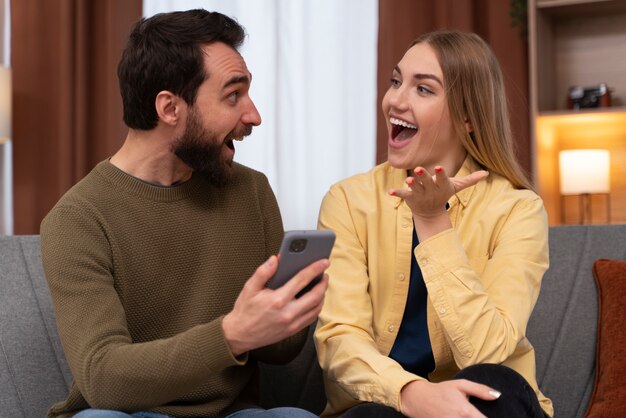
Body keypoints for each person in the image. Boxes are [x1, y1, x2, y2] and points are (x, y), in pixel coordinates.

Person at [40, 9, 328, 418]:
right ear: (170, 108)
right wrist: (230, 334)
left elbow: (280, 352)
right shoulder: (78, 220)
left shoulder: (251, 191)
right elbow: (103, 378)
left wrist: (290, 309)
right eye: (233, 95)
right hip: (125, 413)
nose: (253, 116)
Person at [314, 30, 552, 418]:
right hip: (387, 405)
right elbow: (341, 339)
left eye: (422, 90)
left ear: (468, 116)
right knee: (372, 414)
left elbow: (487, 351)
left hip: (490, 401)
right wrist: (411, 393)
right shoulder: (347, 201)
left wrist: (432, 220)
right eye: (396, 81)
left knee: (496, 384)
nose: (395, 99)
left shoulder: (518, 210)